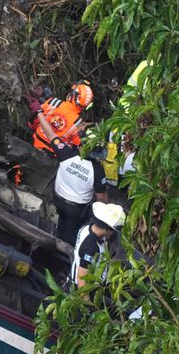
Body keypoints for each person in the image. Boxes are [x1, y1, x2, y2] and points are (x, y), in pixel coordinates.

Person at [39, 112, 112, 241]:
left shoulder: (66, 152)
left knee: (62, 223)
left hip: (58, 199)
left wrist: (39, 112)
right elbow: (102, 200)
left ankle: (58, 235)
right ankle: (65, 251)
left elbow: (50, 134)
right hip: (77, 210)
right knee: (71, 236)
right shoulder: (97, 171)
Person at [71, 202, 125, 289]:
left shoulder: (88, 227)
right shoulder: (91, 247)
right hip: (88, 287)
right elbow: (82, 279)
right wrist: (87, 301)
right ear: (108, 230)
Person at [32, 82, 92, 153]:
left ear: (72, 95)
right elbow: (76, 146)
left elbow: (34, 120)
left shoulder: (54, 102)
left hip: (35, 144)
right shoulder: (79, 124)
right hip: (54, 155)